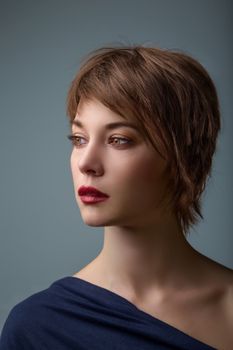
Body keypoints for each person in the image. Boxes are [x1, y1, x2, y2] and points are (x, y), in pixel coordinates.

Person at [0, 45, 232, 350]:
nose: (86, 162)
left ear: (183, 157)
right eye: (79, 139)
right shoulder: (36, 329)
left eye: (119, 140)